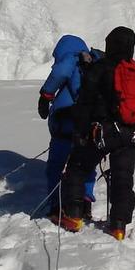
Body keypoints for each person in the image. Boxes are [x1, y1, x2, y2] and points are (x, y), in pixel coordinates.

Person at [58, 26, 135, 240]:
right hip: (129, 134)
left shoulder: (101, 67)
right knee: (123, 177)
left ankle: (73, 216)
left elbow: (85, 101)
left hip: (100, 131)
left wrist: (81, 131)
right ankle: (118, 225)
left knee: (78, 166)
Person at [38, 34, 98, 221]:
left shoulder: (73, 58)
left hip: (67, 120)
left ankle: (56, 205)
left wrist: (46, 95)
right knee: (85, 164)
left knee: (57, 163)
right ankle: (84, 203)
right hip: (91, 123)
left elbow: (61, 71)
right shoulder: (95, 65)